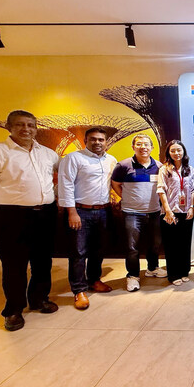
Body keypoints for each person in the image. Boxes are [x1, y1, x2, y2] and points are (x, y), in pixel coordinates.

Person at [0, 110, 59, 331]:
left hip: (45, 214)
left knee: (43, 261)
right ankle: (13, 309)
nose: (26, 129)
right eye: (20, 124)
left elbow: (60, 179)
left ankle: (39, 299)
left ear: (36, 129)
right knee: (14, 264)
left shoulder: (48, 154)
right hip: (12, 216)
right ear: (9, 127)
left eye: (30, 125)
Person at [58, 127, 117, 309]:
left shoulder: (111, 160)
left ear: (106, 142)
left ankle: (94, 280)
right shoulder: (73, 158)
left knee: (98, 249)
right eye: (93, 139)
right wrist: (71, 212)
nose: (97, 142)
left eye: (101, 139)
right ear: (85, 141)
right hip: (80, 211)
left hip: (104, 211)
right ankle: (79, 290)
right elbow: (66, 185)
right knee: (78, 252)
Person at [111, 134, 166, 293]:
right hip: (132, 213)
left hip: (154, 211)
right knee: (132, 247)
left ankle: (152, 268)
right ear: (133, 147)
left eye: (146, 144)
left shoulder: (159, 166)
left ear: (152, 147)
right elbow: (115, 184)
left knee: (155, 244)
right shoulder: (123, 165)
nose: (143, 147)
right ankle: (133, 276)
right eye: (139, 144)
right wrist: (127, 198)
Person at [157, 140, 194, 287]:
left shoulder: (189, 169)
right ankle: (173, 274)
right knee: (171, 244)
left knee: (184, 243)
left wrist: (192, 207)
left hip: (186, 211)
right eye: (173, 150)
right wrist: (167, 211)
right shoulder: (164, 169)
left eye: (179, 150)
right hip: (170, 212)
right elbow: (161, 190)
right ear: (168, 153)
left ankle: (184, 271)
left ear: (183, 151)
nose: (176, 153)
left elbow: (193, 189)